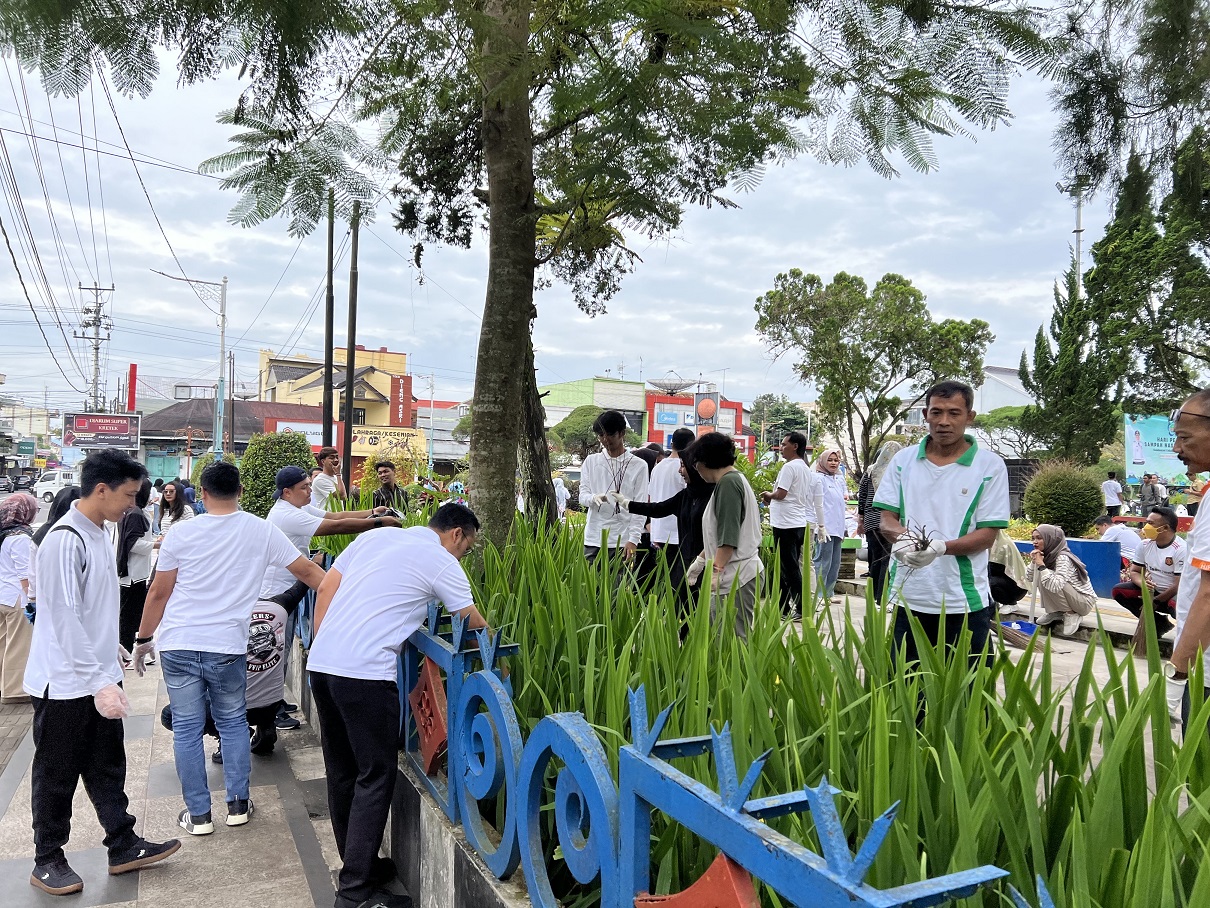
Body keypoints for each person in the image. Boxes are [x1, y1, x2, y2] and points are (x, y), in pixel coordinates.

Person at [307, 504, 494, 908]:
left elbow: (324, 589)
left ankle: (360, 867)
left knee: (342, 771)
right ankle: (355, 893)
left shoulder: (377, 536)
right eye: (467, 547)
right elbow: (472, 621)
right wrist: (505, 666)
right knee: (376, 775)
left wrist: (327, 646)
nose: (462, 555)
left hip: (322, 665)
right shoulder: (441, 561)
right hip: (366, 675)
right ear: (457, 534)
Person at [133, 461, 326, 836]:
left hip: (180, 644)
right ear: (239, 491)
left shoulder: (182, 533)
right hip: (228, 646)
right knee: (233, 722)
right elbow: (310, 574)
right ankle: (238, 805)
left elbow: (159, 591)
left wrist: (142, 640)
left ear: (201, 494)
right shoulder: (261, 530)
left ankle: (199, 816)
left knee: (187, 729)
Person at [23, 449, 179, 895]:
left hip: (96, 674)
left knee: (107, 764)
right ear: (102, 488)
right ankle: (47, 857)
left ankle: (123, 842)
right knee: (57, 773)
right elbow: (64, 619)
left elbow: (91, 610)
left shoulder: (100, 531)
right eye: (129, 495)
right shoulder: (64, 539)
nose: (133, 504)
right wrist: (98, 682)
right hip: (65, 683)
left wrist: (113, 651)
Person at [874, 380, 1010, 665]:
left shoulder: (989, 466)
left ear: (969, 417)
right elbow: (886, 519)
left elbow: (987, 536)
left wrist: (939, 547)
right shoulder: (903, 461)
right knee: (907, 693)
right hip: (909, 597)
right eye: (936, 412)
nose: (943, 421)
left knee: (971, 694)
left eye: (954, 413)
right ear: (925, 415)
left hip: (964, 600)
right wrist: (904, 540)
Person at [264, 466, 403, 732]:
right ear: (286, 492)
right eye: (304, 487)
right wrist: (377, 524)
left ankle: (276, 703)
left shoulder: (297, 509)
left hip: (291, 588)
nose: (309, 490)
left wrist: (371, 512)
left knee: (281, 650)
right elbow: (334, 527)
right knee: (277, 654)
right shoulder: (284, 515)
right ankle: (273, 711)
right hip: (278, 593)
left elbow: (335, 514)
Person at [684, 433, 763, 640]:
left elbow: (729, 538)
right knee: (719, 638)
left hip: (737, 575)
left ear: (704, 461)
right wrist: (701, 561)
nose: (696, 469)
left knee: (732, 642)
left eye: (695, 463)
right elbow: (719, 535)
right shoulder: (731, 481)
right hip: (735, 572)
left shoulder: (728, 484)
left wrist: (715, 573)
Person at [1167, 392, 1210, 734]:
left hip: (1205, 675)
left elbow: (1209, 596)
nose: (1176, 449)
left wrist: (1177, 673)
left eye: (1184, 437)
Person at [761, 431, 822, 616]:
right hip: (796, 522)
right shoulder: (804, 467)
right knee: (787, 567)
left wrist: (767, 495)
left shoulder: (789, 467)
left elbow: (781, 494)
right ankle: (782, 607)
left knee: (790, 569)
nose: (781, 448)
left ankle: (803, 608)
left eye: (784, 444)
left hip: (786, 523)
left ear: (795, 446)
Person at [578, 410, 647, 563]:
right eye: (601, 435)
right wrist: (593, 498)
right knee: (590, 585)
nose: (605, 439)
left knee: (619, 586)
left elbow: (640, 506)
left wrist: (634, 539)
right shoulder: (591, 461)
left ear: (622, 433)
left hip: (622, 539)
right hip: (594, 537)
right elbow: (582, 496)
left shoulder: (639, 465)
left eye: (610, 434)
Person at [1112, 506, 1185, 637]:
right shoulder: (1145, 545)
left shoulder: (1181, 549)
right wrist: (1143, 584)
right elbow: (1135, 571)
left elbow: (1178, 585)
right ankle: (1159, 624)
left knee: (1180, 608)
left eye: (1151, 523)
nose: (1146, 527)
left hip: (1176, 595)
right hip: (1153, 592)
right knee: (1119, 591)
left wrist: (1156, 601)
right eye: (1147, 522)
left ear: (1165, 528)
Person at [1026, 525, 1097, 636]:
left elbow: (1056, 585)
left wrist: (1041, 565)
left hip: (1083, 602)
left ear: (1051, 539)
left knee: (1047, 575)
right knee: (1043, 574)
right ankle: (1056, 611)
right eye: (1033, 538)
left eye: (1039, 538)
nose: (1035, 542)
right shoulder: (1046, 556)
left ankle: (1072, 614)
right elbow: (1029, 577)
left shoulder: (1063, 557)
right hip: (1071, 597)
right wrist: (1034, 561)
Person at [0, 492, 37, 702]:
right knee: (17, 645)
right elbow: (25, 576)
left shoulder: (3, 534)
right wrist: (32, 602)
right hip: (16, 598)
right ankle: (15, 691)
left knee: (2, 644)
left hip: (2, 595)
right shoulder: (20, 538)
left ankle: (2, 684)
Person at [114, 479, 155, 657]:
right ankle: (128, 652)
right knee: (129, 616)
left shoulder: (130, 512)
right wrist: (155, 545)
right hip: (133, 574)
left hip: (130, 573)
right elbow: (133, 543)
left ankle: (129, 650)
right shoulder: (136, 513)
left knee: (130, 614)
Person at [857, 441, 903, 603]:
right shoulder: (898, 472)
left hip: (870, 521)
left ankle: (873, 594)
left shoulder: (871, 471)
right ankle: (881, 597)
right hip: (889, 520)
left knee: (875, 558)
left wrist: (861, 519)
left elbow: (862, 496)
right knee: (887, 558)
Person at [647, 429, 692, 567]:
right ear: (691, 445)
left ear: (671, 444)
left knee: (665, 573)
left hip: (658, 531)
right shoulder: (685, 467)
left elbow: (650, 498)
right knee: (679, 576)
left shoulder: (658, 467)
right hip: (678, 533)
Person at [811, 448, 848, 602]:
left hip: (838, 527)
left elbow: (841, 504)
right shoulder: (818, 478)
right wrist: (820, 525)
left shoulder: (839, 479)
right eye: (830, 460)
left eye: (836, 460)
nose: (833, 463)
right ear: (823, 461)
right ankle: (818, 594)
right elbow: (816, 504)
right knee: (823, 561)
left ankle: (828, 593)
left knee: (835, 562)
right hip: (824, 527)